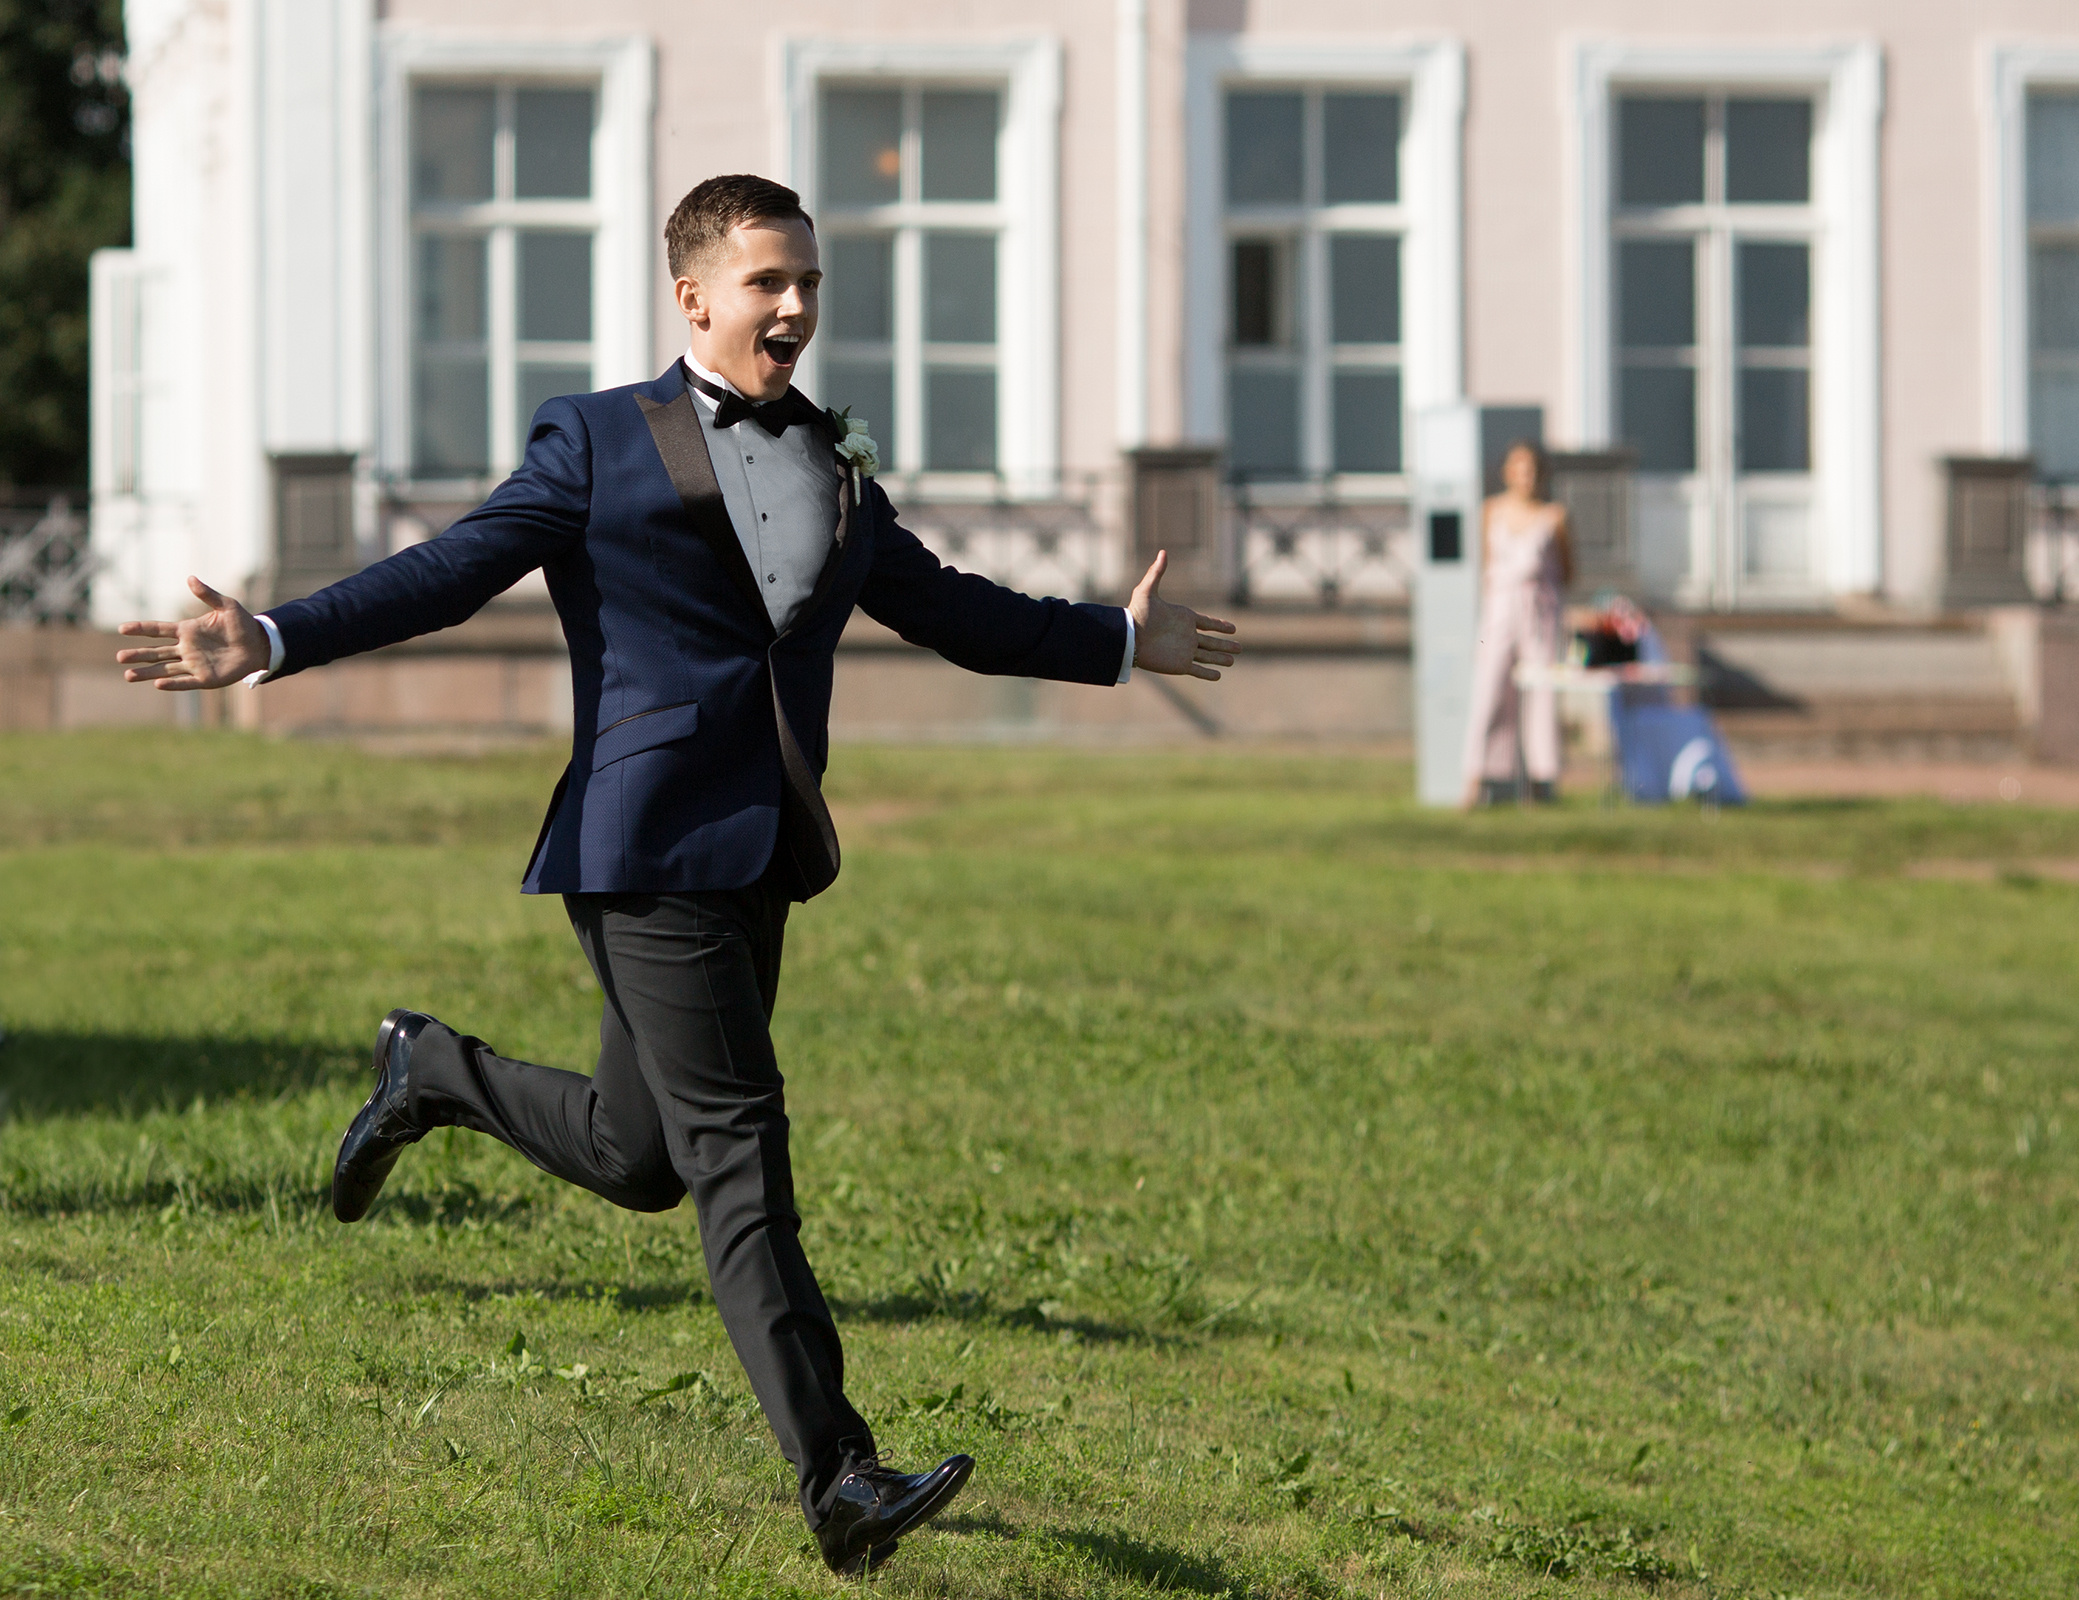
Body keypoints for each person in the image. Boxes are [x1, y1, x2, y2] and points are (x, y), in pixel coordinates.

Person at [112, 174, 1240, 1576]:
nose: (795, 307)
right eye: (768, 281)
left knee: (642, 1156)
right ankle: (840, 1478)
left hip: (765, 838)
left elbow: (946, 604)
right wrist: (271, 638)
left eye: (811, 284)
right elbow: (457, 568)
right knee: (738, 1149)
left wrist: (1117, 645)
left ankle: (430, 1072)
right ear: (694, 295)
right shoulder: (593, 439)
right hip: (640, 839)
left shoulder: (833, 457)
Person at [1459, 440, 1571, 807]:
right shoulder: (1490, 511)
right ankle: (1481, 776)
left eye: (1532, 469)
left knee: (1541, 693)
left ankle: (1541, 780)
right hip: (1500, 610)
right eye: (1519, 468)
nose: (1526, 477)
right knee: (1490, 689)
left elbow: (1568, 570)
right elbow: (1487, 565)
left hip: (1540, 612)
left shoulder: (1554, 516)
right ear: (1507, 472)